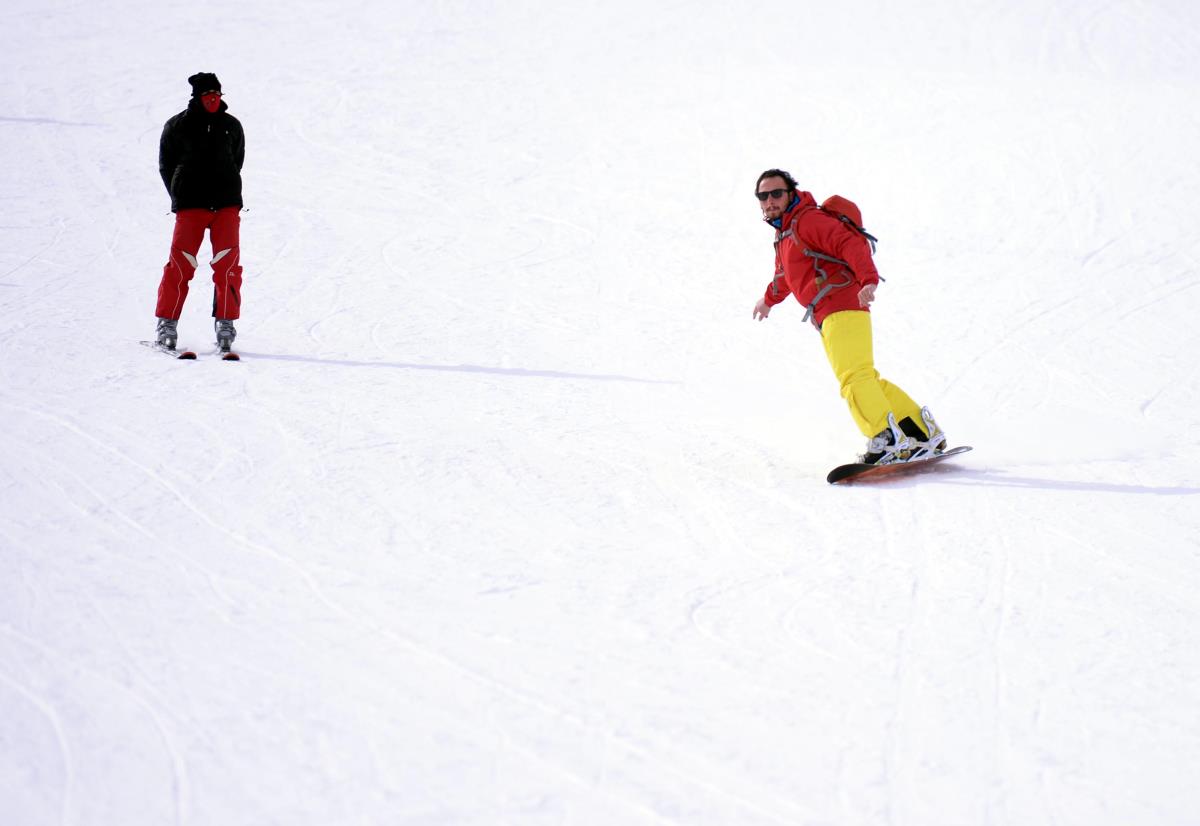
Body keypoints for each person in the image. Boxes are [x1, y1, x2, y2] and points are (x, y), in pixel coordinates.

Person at [751, 168, 946, 465]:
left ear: (791, 193)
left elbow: (849, 243)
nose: (769, 200)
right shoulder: (786, 235)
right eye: (763, 196)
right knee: (866, 377)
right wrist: (768, 300)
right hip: (832, 312)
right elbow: (784, 276)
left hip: (840, 305)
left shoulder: (808, 220)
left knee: (853, 379)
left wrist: (869, 279)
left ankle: (886, 439)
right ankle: (920, 433)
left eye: (776, 193)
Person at [154, 72, 245, 351]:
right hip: (191, 207)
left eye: (217, 95)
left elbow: (238, 159)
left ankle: (225, 324)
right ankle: (166, 324)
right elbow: (166, 165)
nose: (213, 100)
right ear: (198, 98)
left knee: (228, 266)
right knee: (180, 265)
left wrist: (227, 186)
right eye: (208, 96)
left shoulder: (231, 126)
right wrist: (180, 194)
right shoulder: (177, 126)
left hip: (226, 205)